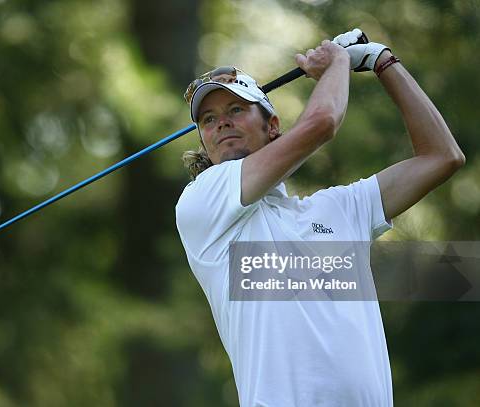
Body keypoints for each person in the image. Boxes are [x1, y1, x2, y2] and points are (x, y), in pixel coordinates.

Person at [175, 29, 465, 406]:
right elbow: (324, 122)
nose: (222, 124)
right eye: (208, 120)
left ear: (272, 125)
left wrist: (382, 61)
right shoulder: (203, 202)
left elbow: (442, 156)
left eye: (236, 110)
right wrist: (339, 65)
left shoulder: (339, 210)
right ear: (204, 142)